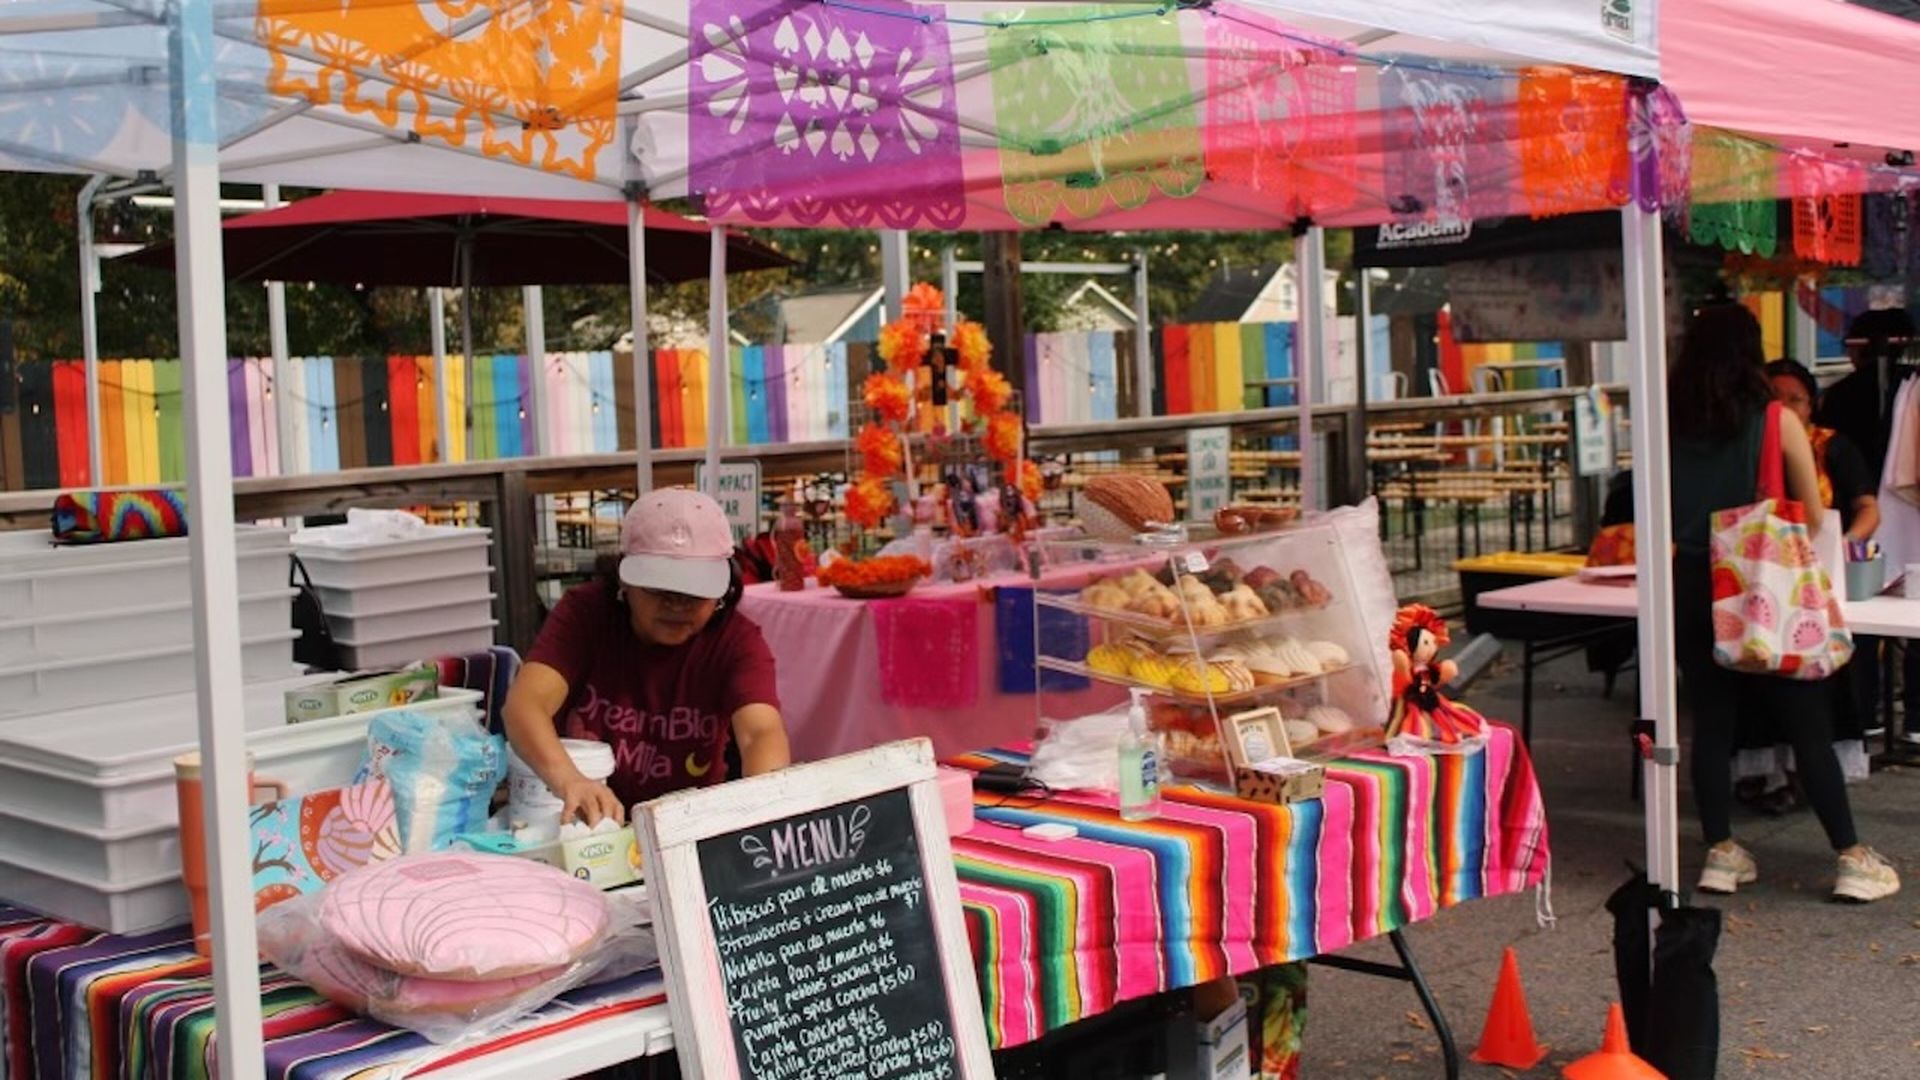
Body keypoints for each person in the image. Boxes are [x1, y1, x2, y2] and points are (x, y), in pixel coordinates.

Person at [1667, 304, 1897, 903]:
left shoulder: (1670, 419)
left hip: (1692, 581)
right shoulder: (1774, 419)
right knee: (1807, 728)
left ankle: (1720, 853)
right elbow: (1813, 513)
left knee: (1712, 725)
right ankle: (1849, 857)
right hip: (1760, 584)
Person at [503, 489, 791, 827]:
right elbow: (524, 705)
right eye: (659, 590)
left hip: (686, 825)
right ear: (623, 580)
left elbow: (761, 733)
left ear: (723, 592)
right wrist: (570, 780)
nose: (676, 605)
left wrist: (765, 814)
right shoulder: (586, 613)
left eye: (694, 594)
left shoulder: (736, 640)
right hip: (582, 822)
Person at [1731, 361, 1881, 812]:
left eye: (1794, 398)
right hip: (1759, 580)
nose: (1784, 407)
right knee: (1759, 677)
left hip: (1813, 579)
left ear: (1812, 403)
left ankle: (1802, 773)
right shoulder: (1749, 444)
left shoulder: (1833, 446)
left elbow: (1868, 507)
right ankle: (1763, 770)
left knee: (1813, 681)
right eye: (1774, 397)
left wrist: (1844, 544)